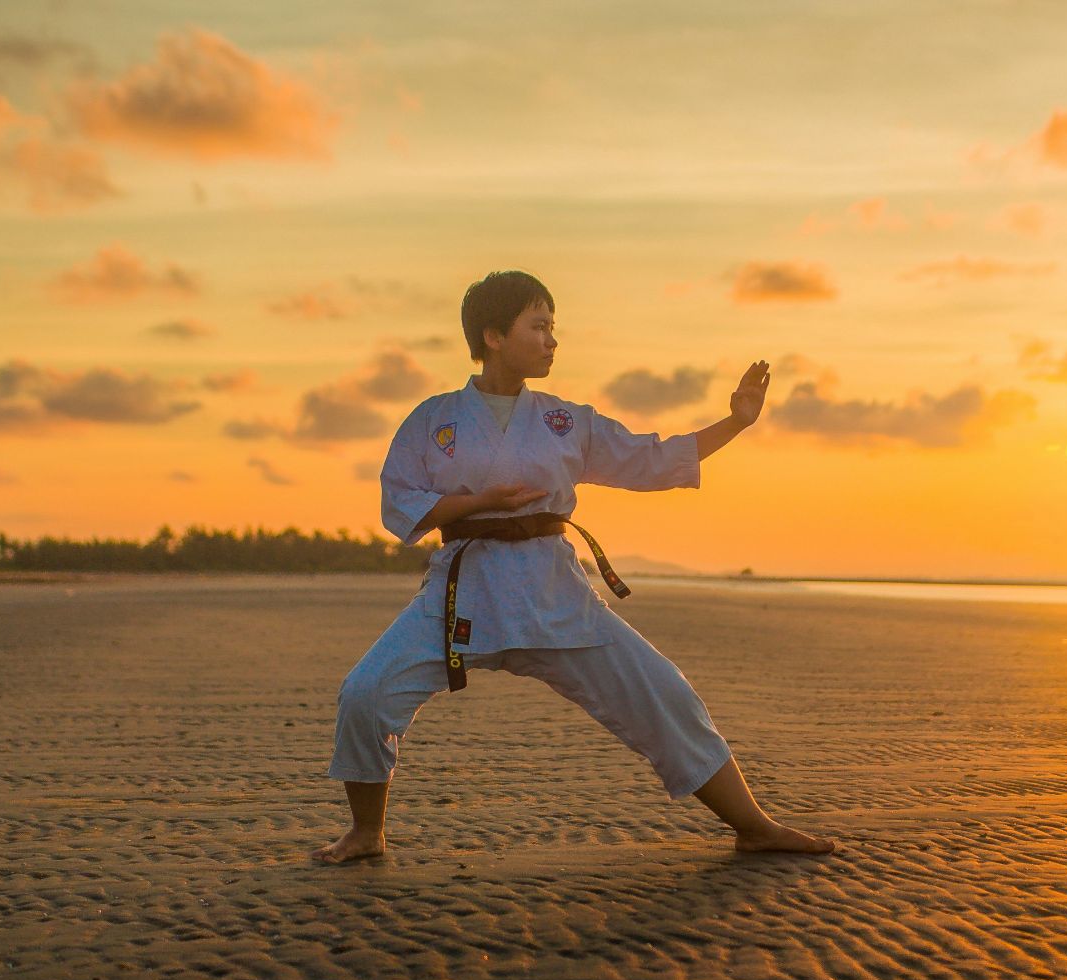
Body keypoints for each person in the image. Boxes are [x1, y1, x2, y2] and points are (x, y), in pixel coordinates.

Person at [311, 270, 834, 863]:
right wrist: (479, 503)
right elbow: (397, 499)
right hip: (464, 590)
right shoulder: (434, 420)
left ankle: (754, 825)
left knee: (663, 693)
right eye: (539, 326)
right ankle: (366, 832)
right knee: (366, 693)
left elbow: (652, 460)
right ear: (493, 336)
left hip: (553, 591)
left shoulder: (566, 421)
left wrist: (736, 422)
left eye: (553, 327)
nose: (552, 340)